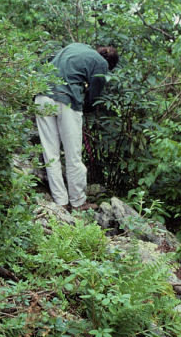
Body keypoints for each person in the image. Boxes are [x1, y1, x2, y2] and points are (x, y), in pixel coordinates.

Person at [34, 43, 118, 212]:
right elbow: (94, 97)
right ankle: (78, 202)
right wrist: (85, 106)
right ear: (109, 65)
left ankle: (61, 202)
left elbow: (50, 62)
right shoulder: (101, 64)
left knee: (50, 154)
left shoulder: (75, 47)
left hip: (42, 96)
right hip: (66, 100)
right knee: (73, 155)